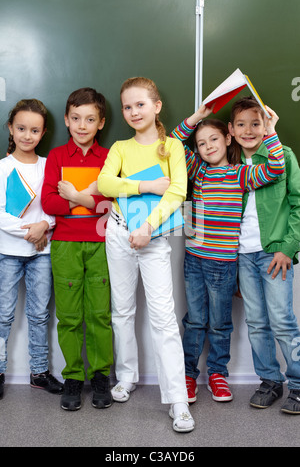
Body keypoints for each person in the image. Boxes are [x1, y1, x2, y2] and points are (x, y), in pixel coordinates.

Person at [170, 102, 285, 405]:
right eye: (201, 143)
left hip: (224, 263)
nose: (208, 147)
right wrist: (196, 117)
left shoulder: (240, 175)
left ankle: (218, 373)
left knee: (220, 322)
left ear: (228, 138)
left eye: (214, 140)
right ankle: (187, 374)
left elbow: (275, 168)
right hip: (194, 259)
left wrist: (271, 131)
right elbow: (171, 143)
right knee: (195, 320)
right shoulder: (196, 170)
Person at [98, 76, 195, 433]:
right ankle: (126, 377)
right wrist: (145, 185)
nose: (133, 111)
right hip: (118, 233)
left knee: (163, 318)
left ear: (156, 107)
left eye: (140, 104)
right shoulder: (121, 148)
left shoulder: (173, 147)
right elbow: (106, 183)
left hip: (152, 238)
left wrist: (148, 227)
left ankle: (177, 400)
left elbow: (177, 193)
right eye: (127, 106)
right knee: (121, 310)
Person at [41, 87, 113, 411]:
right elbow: (49, 201)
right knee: (69, 315)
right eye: (75, 118)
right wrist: (86, 198)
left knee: (99, 313)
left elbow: (110, 204)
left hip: (102, 244)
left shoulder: (110, 157)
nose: (82, 125)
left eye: (90, 119)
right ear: (68, 121)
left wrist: (75, 196)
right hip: (65, 245)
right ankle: (73, 375)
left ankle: (100, 375)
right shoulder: (57, 157)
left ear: (100, 123)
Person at [228, 96, 300, 414]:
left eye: (255, 123)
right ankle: (270, 381)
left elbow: (298, 204)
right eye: (241, 124)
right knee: (257, 322)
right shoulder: (227, 165)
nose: (248, 130)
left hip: (273, 254)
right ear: (230, 129)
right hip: (241, 256)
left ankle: (297, 385)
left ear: (266, 124)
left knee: (282, 321)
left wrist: (288, 247)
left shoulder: (281, 156)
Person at [0, 99, 63, 399]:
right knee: (2, 315)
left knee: (39, 315)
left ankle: (39, 372)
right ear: (11, 129)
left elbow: (54, 205)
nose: (27, 135)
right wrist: (32, 231)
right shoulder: (2, 168)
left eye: (34, 130)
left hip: (42, 253)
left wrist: (45, 225)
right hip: (8, 252)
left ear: (43, 133)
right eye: (22, 128)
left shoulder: (48, 165)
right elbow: (0, 213)